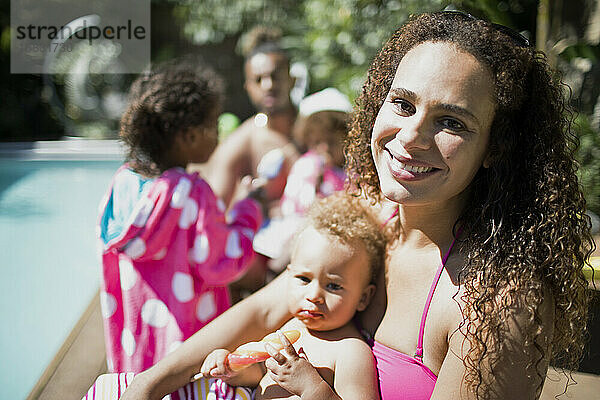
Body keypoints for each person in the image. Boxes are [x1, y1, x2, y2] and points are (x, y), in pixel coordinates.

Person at [119, 11, 593, 399]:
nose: (410, 137)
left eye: (451, 121)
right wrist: (146, 385)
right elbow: (267, 308)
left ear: (496, 147)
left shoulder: (497, 303)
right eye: (403, 104)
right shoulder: (369, 215)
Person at [83, 193, 384, 400]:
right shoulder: (290, 331)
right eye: (303, 279)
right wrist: (235, 370)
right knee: (110, 388)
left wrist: (312, 387)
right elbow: (262, 379)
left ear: (363, 297)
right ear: (288, 275)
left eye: (333, 286)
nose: (314, 295)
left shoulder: (350, 352)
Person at [98, 60, 263, 373]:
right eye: (213, 126)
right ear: (189, 137)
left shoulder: (122, 184)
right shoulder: (192, 192)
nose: (217, 136)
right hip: (186, 361)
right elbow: (223, 263)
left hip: (138, 355)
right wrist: (249, 209)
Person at [253, 88, 352, 267]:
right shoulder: (308, 166)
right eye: (317, 142)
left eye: (332, 142)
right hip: (297, 226)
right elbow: (296, 204)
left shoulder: (351, 172)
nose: (324, 148)